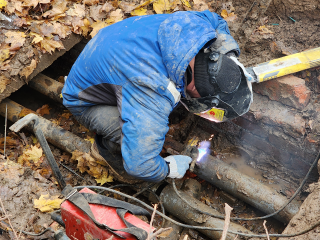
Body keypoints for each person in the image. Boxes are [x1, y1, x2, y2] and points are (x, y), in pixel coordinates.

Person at [62, 10, 253, 183]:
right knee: (133, 142)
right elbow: (139, 165)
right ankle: (105, 150)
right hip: (84, 98)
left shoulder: (196, 27)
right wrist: (168, 168)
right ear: (193, 87)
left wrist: (227, 54)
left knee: (151, 112)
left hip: (112, 45)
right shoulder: (154, 90)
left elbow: (216, 20)